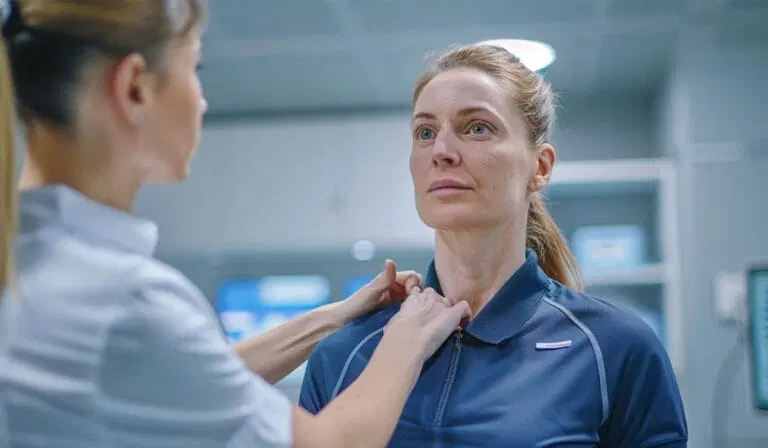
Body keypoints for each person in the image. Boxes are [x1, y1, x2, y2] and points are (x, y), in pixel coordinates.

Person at [0, 1, 472, 447]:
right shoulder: (122, 299)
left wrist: (336, 316)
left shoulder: (40, 271)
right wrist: (406, 339)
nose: (202, 101)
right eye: (195, 69)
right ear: (135, 88)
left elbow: (184, 383)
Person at [299, 43, 689, 447]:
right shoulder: (344, 354)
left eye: (477, 128)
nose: (442, 152)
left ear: (540, 167)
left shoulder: (615, 347)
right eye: (425, 133)